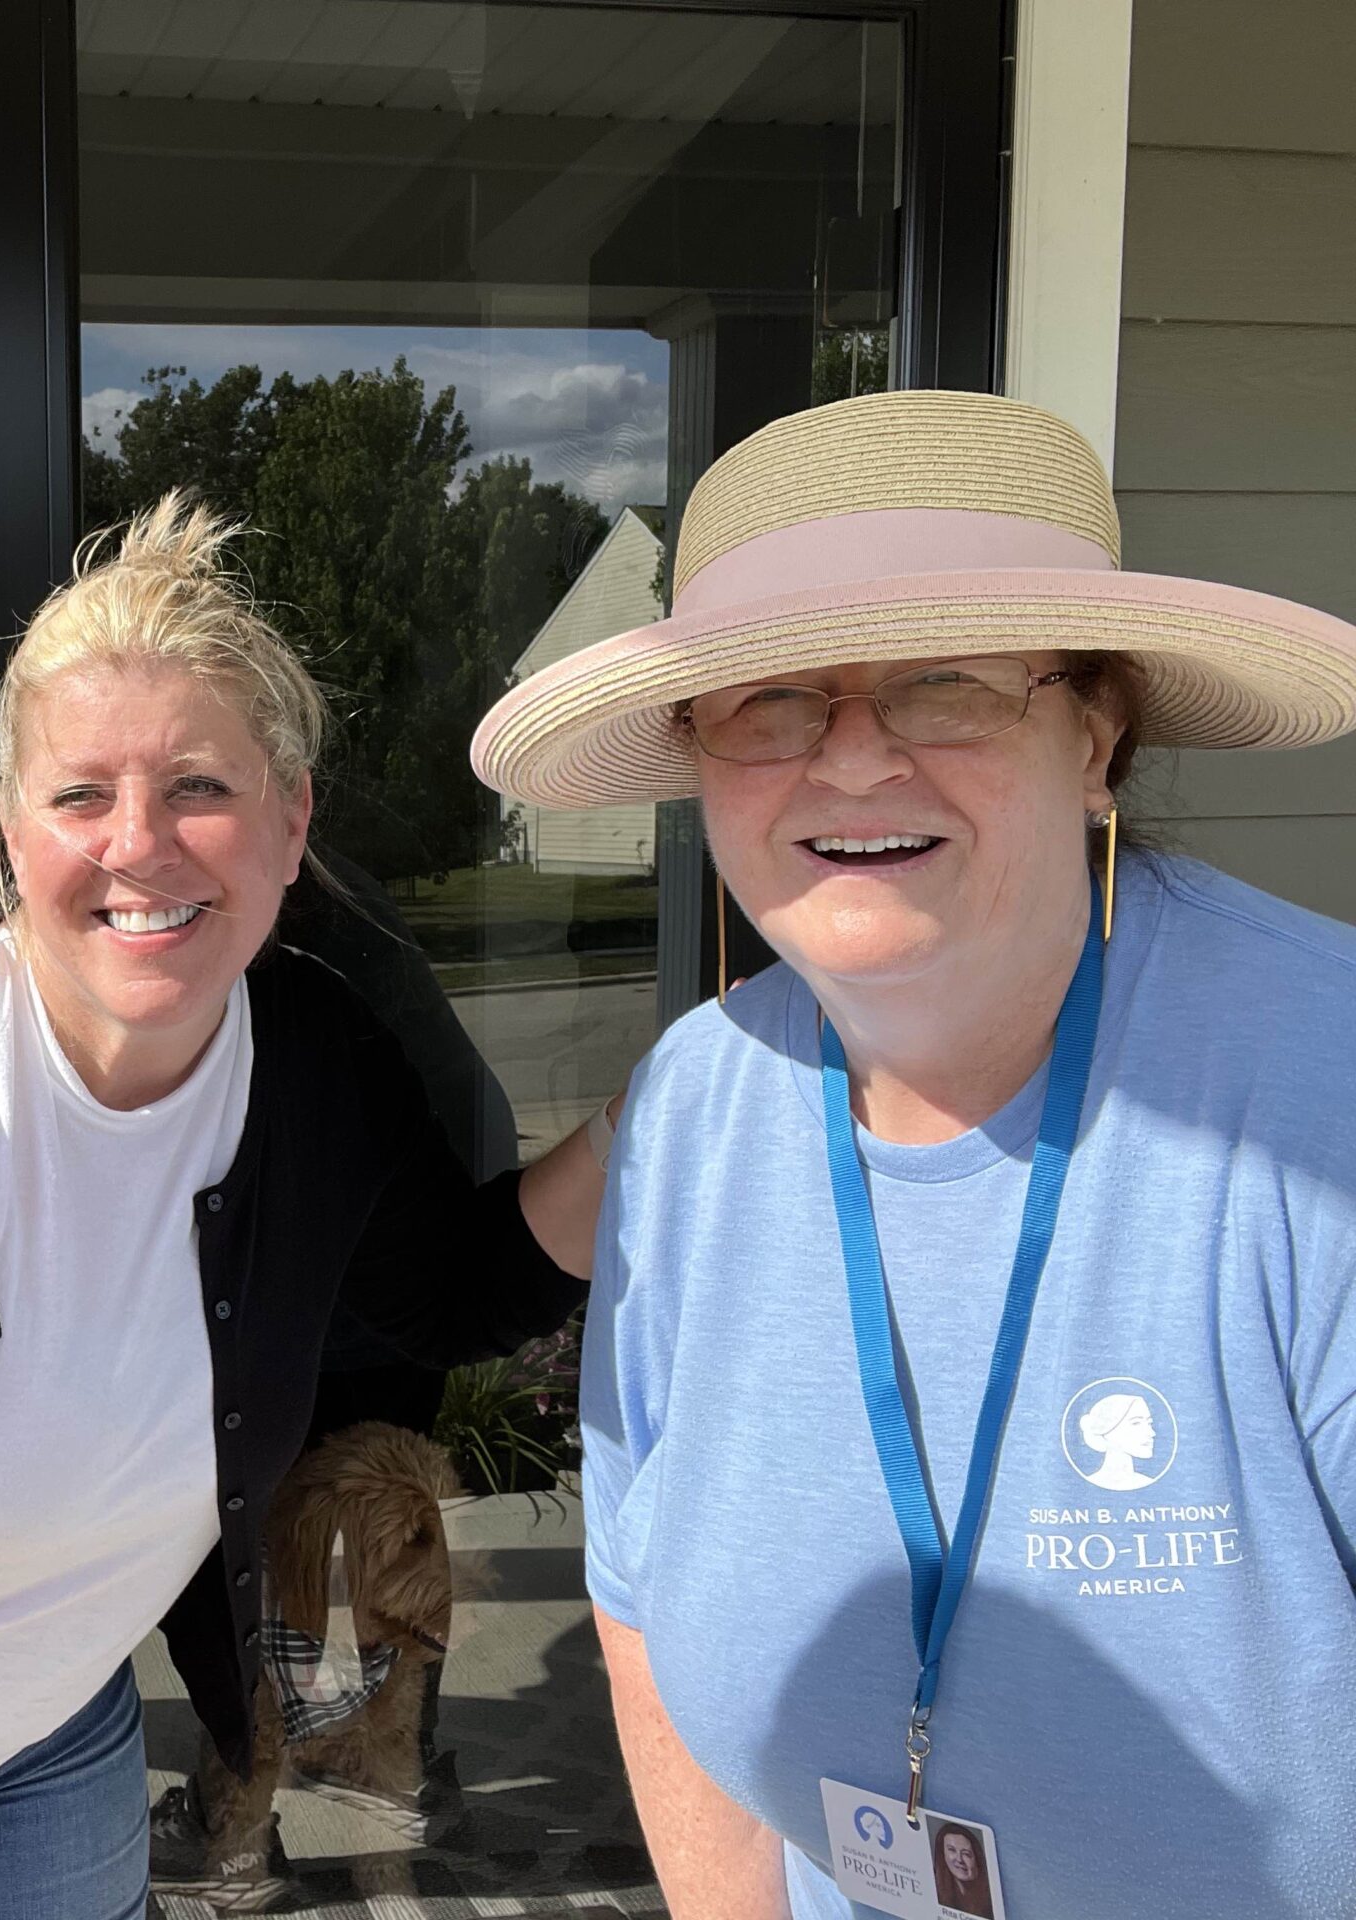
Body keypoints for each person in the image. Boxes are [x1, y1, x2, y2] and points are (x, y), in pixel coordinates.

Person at [472, 388, 1356, 1918]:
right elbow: (639, 1603)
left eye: (944, 682)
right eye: (771, 700)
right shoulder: (693, 1115)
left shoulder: (1315, 1098)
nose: (852, 760)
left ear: (1097, 735)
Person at [0, 496, 605, 1917]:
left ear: (291, 823)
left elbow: (451, 1294)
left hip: (52, 1738)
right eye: (79, 796)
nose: (140, 844)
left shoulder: (316, 1057)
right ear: (7, 832)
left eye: (198, 787)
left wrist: (647, 1124)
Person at [931, 1821, 994, 1917]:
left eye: (966, 1854)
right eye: (952, 1850)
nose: (959, 1859)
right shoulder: (934, 1893)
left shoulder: (991, 1898)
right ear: (943, 1854)